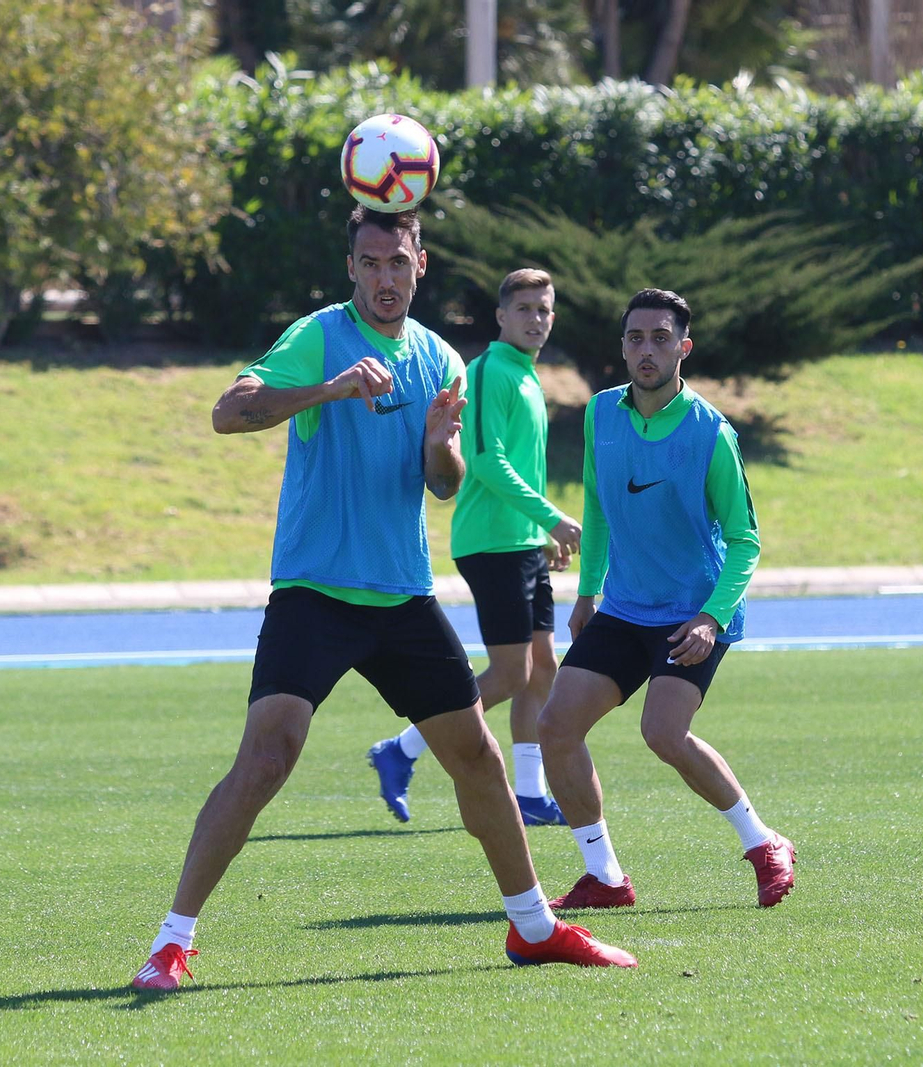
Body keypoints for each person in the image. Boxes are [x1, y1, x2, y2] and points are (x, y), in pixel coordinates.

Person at [128, 208, 635, 991]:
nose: (385, 277)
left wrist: (440, 444)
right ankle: (172, 941)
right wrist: (330, 389)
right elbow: (229, 413)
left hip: (401, 596)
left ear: (419, 264)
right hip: (315, 592)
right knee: (268, 756)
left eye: (398, 262)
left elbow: (443, 483)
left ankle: (534, 927)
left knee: (477, 756)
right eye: (370, 263)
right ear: (352, 268)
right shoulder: (319, 335)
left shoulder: (441, 360)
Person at [536, 288, 795, 912]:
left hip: (691, 612)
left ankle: (763, 844)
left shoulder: (711, 433)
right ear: (622, 347)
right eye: (634, 338)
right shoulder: (601, 414)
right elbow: (597, 508)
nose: (645, 349)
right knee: (555, 727)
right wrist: (588, 591)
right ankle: (604, 876)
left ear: (685, 347)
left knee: (663, 732)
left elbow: (745, 540)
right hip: (623, 608)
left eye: (659, 338)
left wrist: (711, 617)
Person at [366, 268, 580, 827]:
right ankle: (403, 749)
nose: (537, 318)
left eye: (545, 309)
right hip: (491, 544)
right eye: (526, 308)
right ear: (502, 317)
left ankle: (530, 795)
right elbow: (485, 461)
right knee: (511, 673)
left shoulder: (531, 377)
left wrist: (542, 534)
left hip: (524, 542)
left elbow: (524, 466)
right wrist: (552, 518)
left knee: (541, 671)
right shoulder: (487, 373)